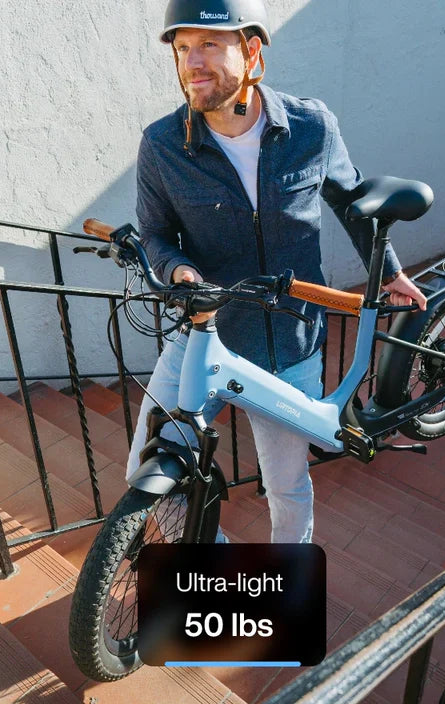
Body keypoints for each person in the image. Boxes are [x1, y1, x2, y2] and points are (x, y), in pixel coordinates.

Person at [126, 0, 427, 543]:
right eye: (183, 48)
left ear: (251, 51)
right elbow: (155, 234)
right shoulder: (162, 144)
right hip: (205, 337)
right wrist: (179, 269)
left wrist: (388, 273)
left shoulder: (312, 127)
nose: (192, 63)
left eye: (209, 44)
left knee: (286, 486)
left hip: (290, 345)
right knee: (143, 474)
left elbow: (351, 202)